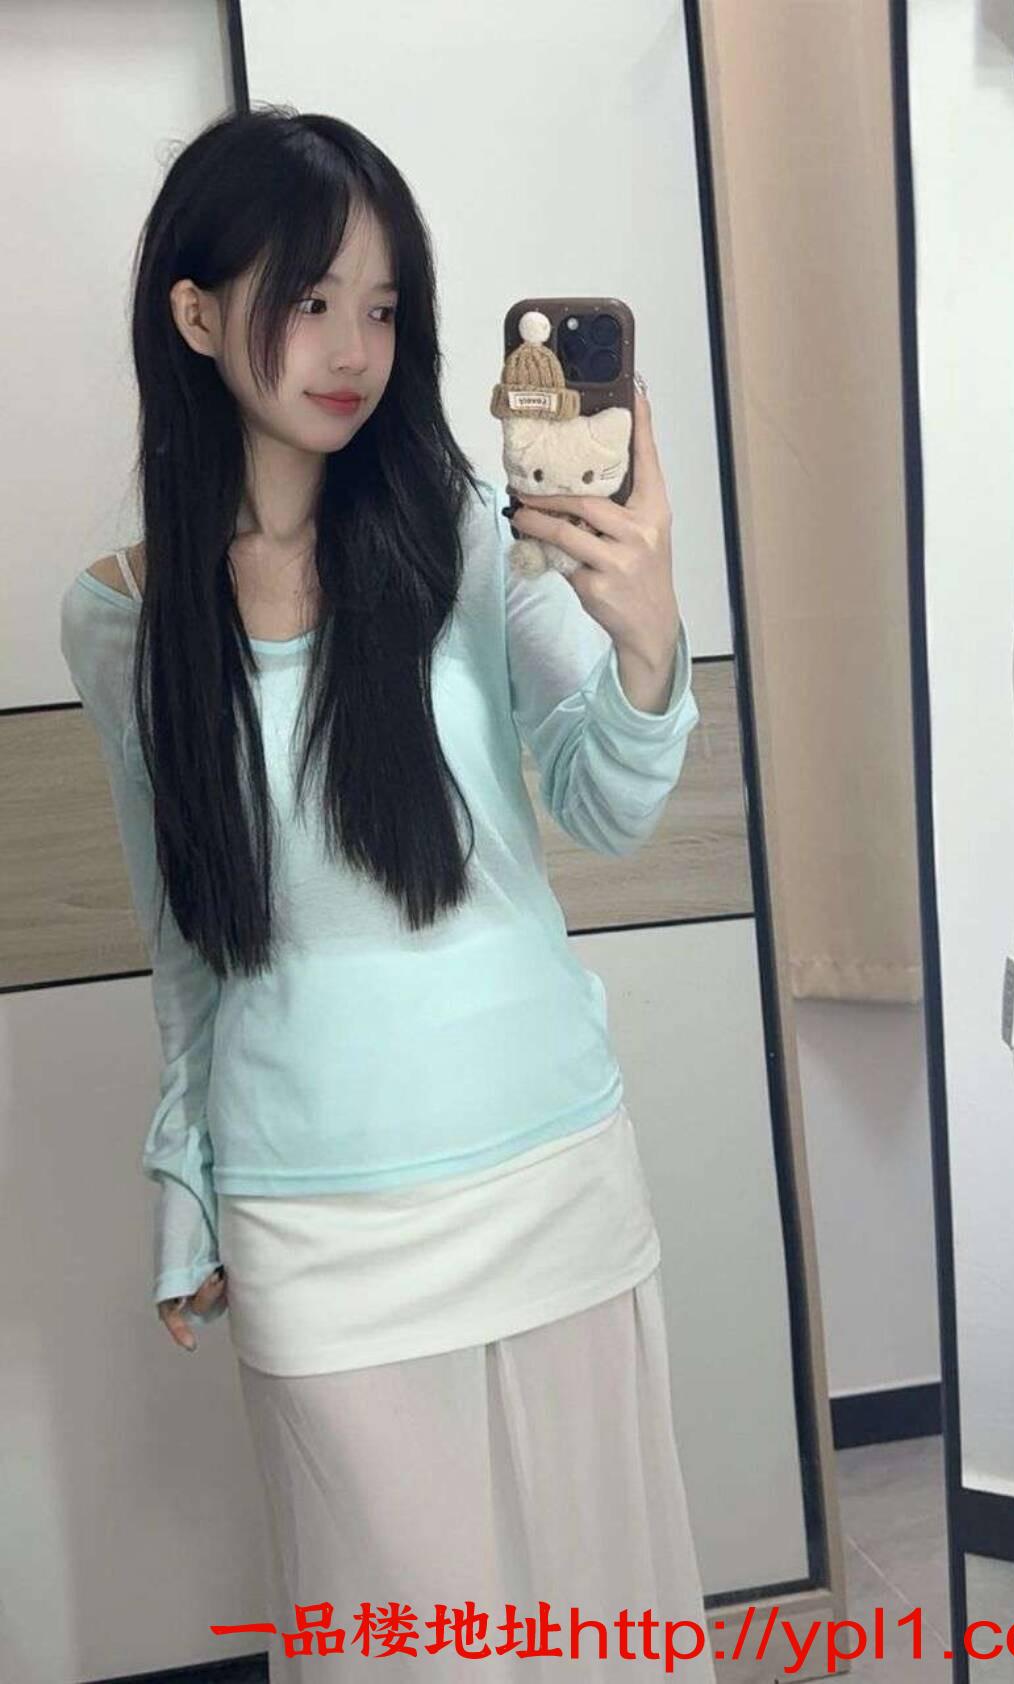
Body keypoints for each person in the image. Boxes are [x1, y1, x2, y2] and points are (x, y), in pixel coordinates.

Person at [59, 105, 713, 1680]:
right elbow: (187, 936)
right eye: (308, 299)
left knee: (602, 1631)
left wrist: (645, 640)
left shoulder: (469, 537)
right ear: (196, 315)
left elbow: (606, 799)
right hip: (315, 1214)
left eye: (384, 305)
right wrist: (184, 1180)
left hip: (547, 1166)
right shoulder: (121, 623)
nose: (354, 348)